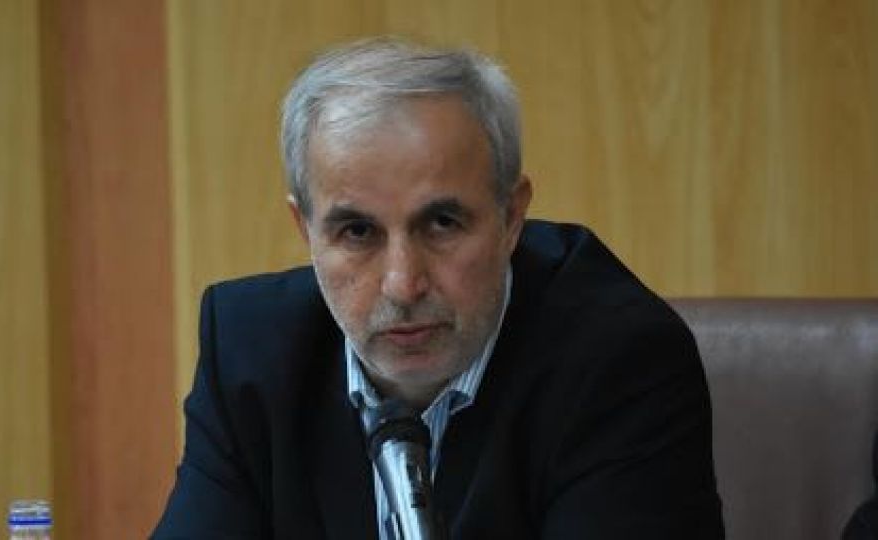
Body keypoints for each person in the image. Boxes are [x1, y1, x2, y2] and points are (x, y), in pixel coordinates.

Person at [153, 38, 724, 539]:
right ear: (306, 230)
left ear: (511, 217)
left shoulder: (618, 359)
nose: (403, 285)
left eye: (442, 224)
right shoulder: (251, 353)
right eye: (358, 232)